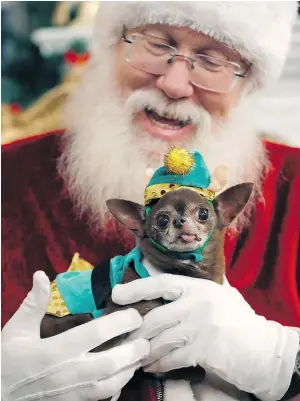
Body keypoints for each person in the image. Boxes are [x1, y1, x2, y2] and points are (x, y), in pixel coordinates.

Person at [2, 1, 300, 401]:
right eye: (157, 45)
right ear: (113, 49)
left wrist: (281, 361)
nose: (175, 84)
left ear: (247, 82)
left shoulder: (294, 185)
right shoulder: (9, 175)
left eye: (212, 61)